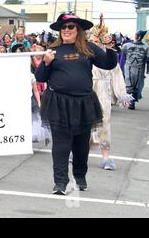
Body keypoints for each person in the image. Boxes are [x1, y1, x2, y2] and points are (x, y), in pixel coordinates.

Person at [35, 13, 117, 195]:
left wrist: (110, 46)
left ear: (78, 30)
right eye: (63, 27)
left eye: (70, 27)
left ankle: (80, 176)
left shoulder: (89, 49)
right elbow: (40, 77)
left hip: (83, 103)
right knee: (61, 145)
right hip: (58, 103)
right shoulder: (53, 50)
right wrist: (46, 63)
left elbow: (108, 64)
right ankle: (60, 183)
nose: (66, 30)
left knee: (81, 145)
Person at [89, 30, 131, 171]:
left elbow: (118, 76)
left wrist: (122, 94)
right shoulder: (83, 56)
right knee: (83, 123)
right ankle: (76, 151)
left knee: (104, 123)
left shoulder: (107, 57)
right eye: (91, 42)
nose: (93, 44)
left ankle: (106, 157)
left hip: (103, 94)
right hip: (86, 93)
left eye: (96, 41)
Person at [121, 30, 149, 110]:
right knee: (129, 86)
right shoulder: (126, 45)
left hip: (139, 69)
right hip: (128, 68)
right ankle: (130, 103)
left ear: (139, 36)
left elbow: (147, 59)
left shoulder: (146, 47)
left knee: (136, 86)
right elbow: (122, 56)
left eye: (136, 35)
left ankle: (131, 102)